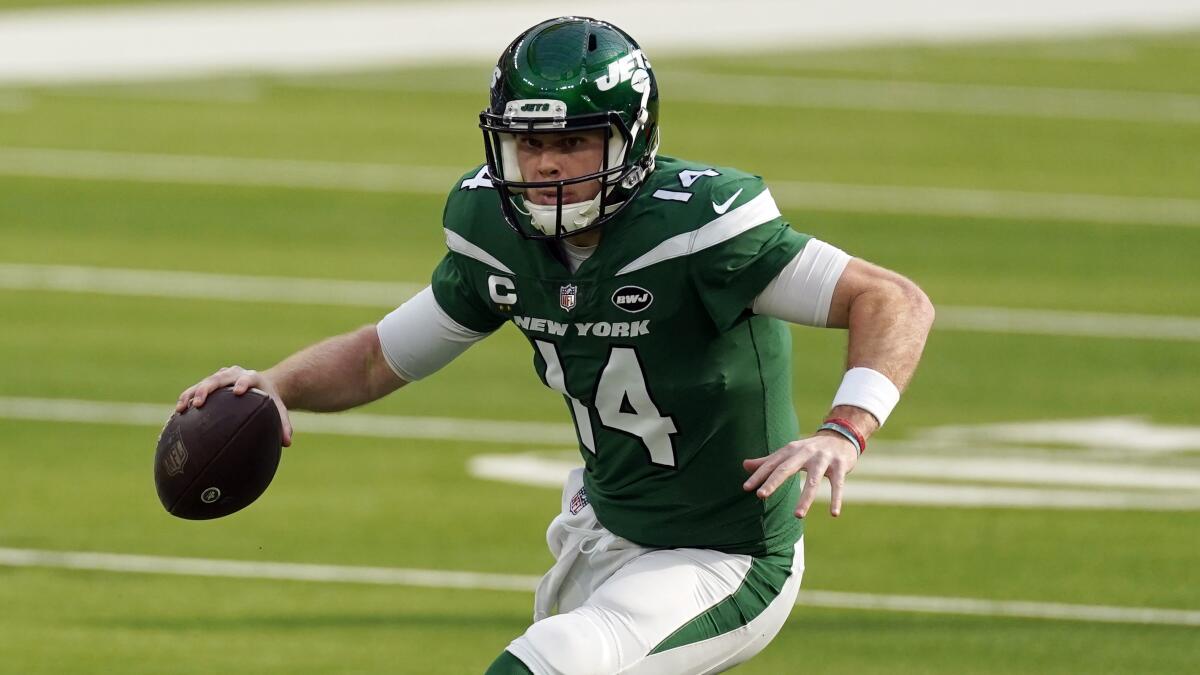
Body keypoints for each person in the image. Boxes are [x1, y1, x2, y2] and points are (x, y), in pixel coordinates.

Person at [175, 16, 934, 675]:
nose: (544, 166)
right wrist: (275, 383)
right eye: (527, 142)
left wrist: (846, 428)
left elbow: (891, 297)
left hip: (726, 554)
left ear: (630, 139)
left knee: (544, 665)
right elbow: (381, 356)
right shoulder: (498, 237)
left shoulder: (700, 226)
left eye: (572, 141)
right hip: (602, 527)